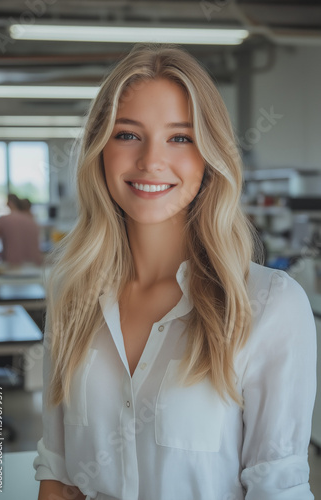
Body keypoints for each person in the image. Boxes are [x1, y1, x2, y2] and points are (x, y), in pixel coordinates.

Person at [33, 44, 316, 500]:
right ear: (99, 148)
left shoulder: (268, 306)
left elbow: (277, 487)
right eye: (127, 134)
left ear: (209, 156)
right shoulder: (71, 291)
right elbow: (59, 471)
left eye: (180, 137)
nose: (150, 161)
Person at [0, 193, 42, 266]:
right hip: (36, 266)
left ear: (9, 204)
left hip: (13, 268)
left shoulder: (4, 220)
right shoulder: (32, 221)